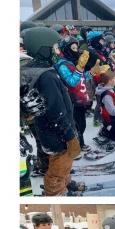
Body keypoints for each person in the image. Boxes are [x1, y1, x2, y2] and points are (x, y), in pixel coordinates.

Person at [21, 27, 80, 196]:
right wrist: (69, 136)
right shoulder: (47, 76)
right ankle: (55, 192)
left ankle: (65, 183)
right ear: (43, 48)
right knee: (59, 167)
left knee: (61, 165)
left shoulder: (35, 70)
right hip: (58, 134)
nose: (58, 51)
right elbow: (56, 110)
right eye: (55, 47)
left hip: (46, 130)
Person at [55, 37, 93, 151]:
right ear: (67, 50)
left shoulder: (72, 63)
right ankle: (73, 147)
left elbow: (81, 78)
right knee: (75, 125)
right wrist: (80, 68)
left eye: (77, 48)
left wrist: (92, 72)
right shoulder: (63, 65)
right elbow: (72, 82)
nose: (76, 51)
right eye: (73, 48)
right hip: (71, 100)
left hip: (80, 98)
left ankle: (80, 143)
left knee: (82, 124)